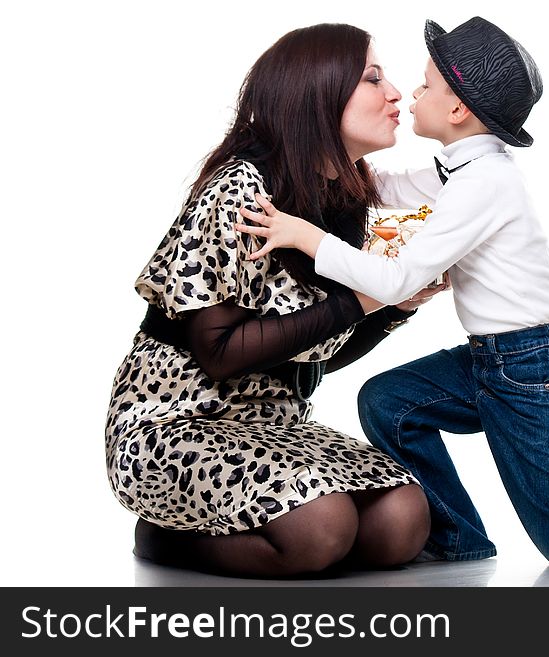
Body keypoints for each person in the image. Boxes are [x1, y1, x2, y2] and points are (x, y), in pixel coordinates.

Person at [235, 17, 549, 564]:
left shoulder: (485, 183)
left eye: (426, 86)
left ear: (457, 110)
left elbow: (397, 281)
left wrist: (308, 237)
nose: (410, 94)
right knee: (389, 402)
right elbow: (385, 188)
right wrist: (322, 159)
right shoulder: (463, 169)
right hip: (492, 358)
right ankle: (457, 539)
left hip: (537, 365)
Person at [105, 23, 449, 578]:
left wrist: (396, 309)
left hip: (275, 426)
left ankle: (275, 537)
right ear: (317, 93)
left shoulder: (342, 197)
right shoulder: (241, 188)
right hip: (175, 426)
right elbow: (221, 353)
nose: (394, 93)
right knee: (322, 529)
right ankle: (164, 537)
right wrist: (367, 297)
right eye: (372, 77)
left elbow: (319, 353)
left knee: (402, 522)